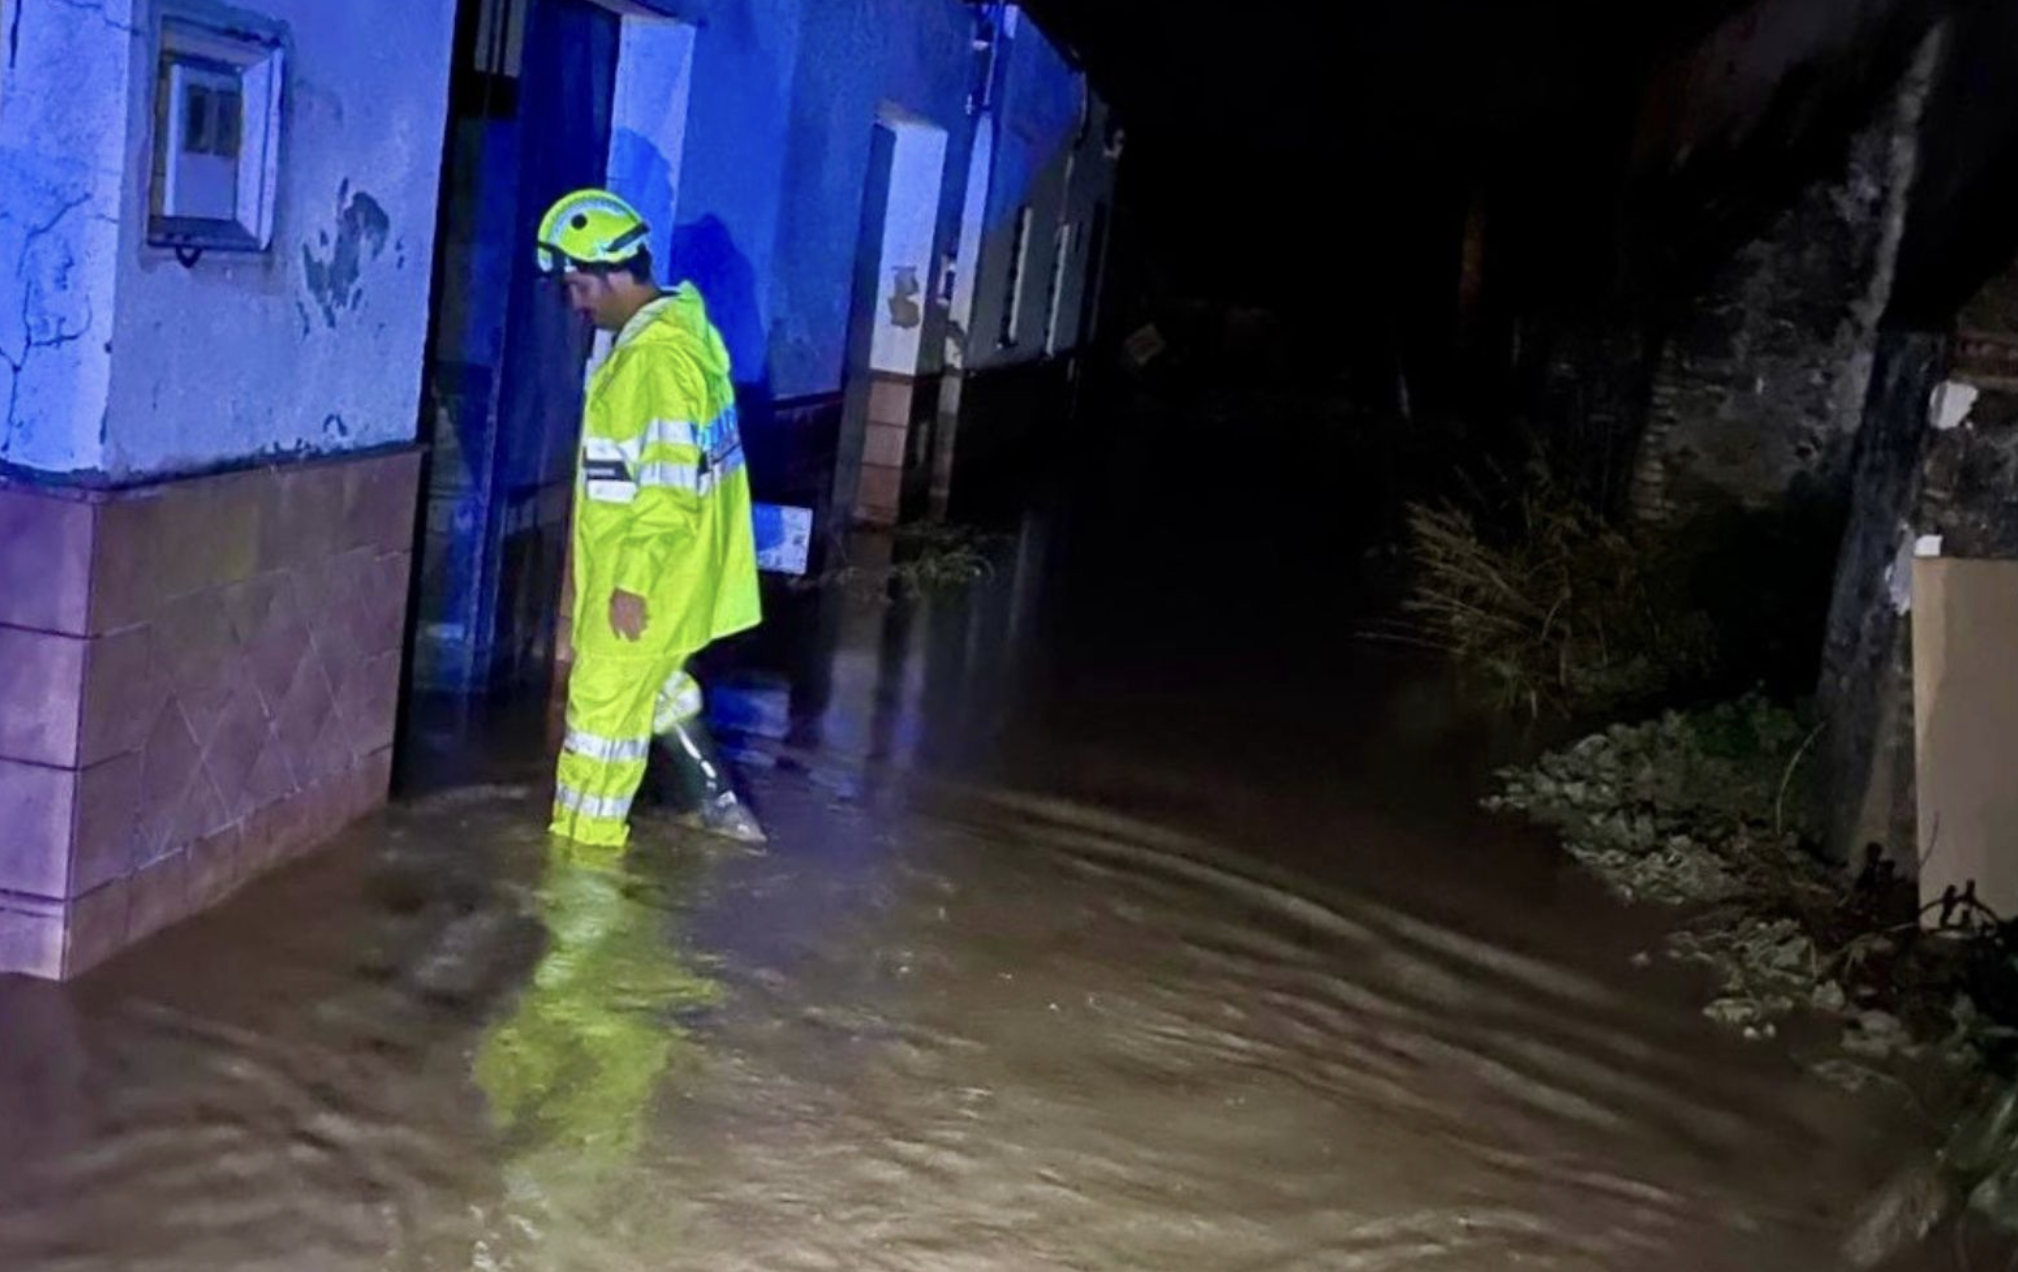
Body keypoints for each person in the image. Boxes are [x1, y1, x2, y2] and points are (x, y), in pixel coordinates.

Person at [535, 188, 765, 847]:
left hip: (644, 584)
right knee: (657, 690)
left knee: (600, 730)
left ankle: (581, 878)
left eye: (579, 286)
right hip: (679, 578)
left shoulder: (652, 362)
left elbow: (664, 489)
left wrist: (629, 583)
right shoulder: (682, 334)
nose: (577, 303)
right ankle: (722, 809)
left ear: (614, 273)